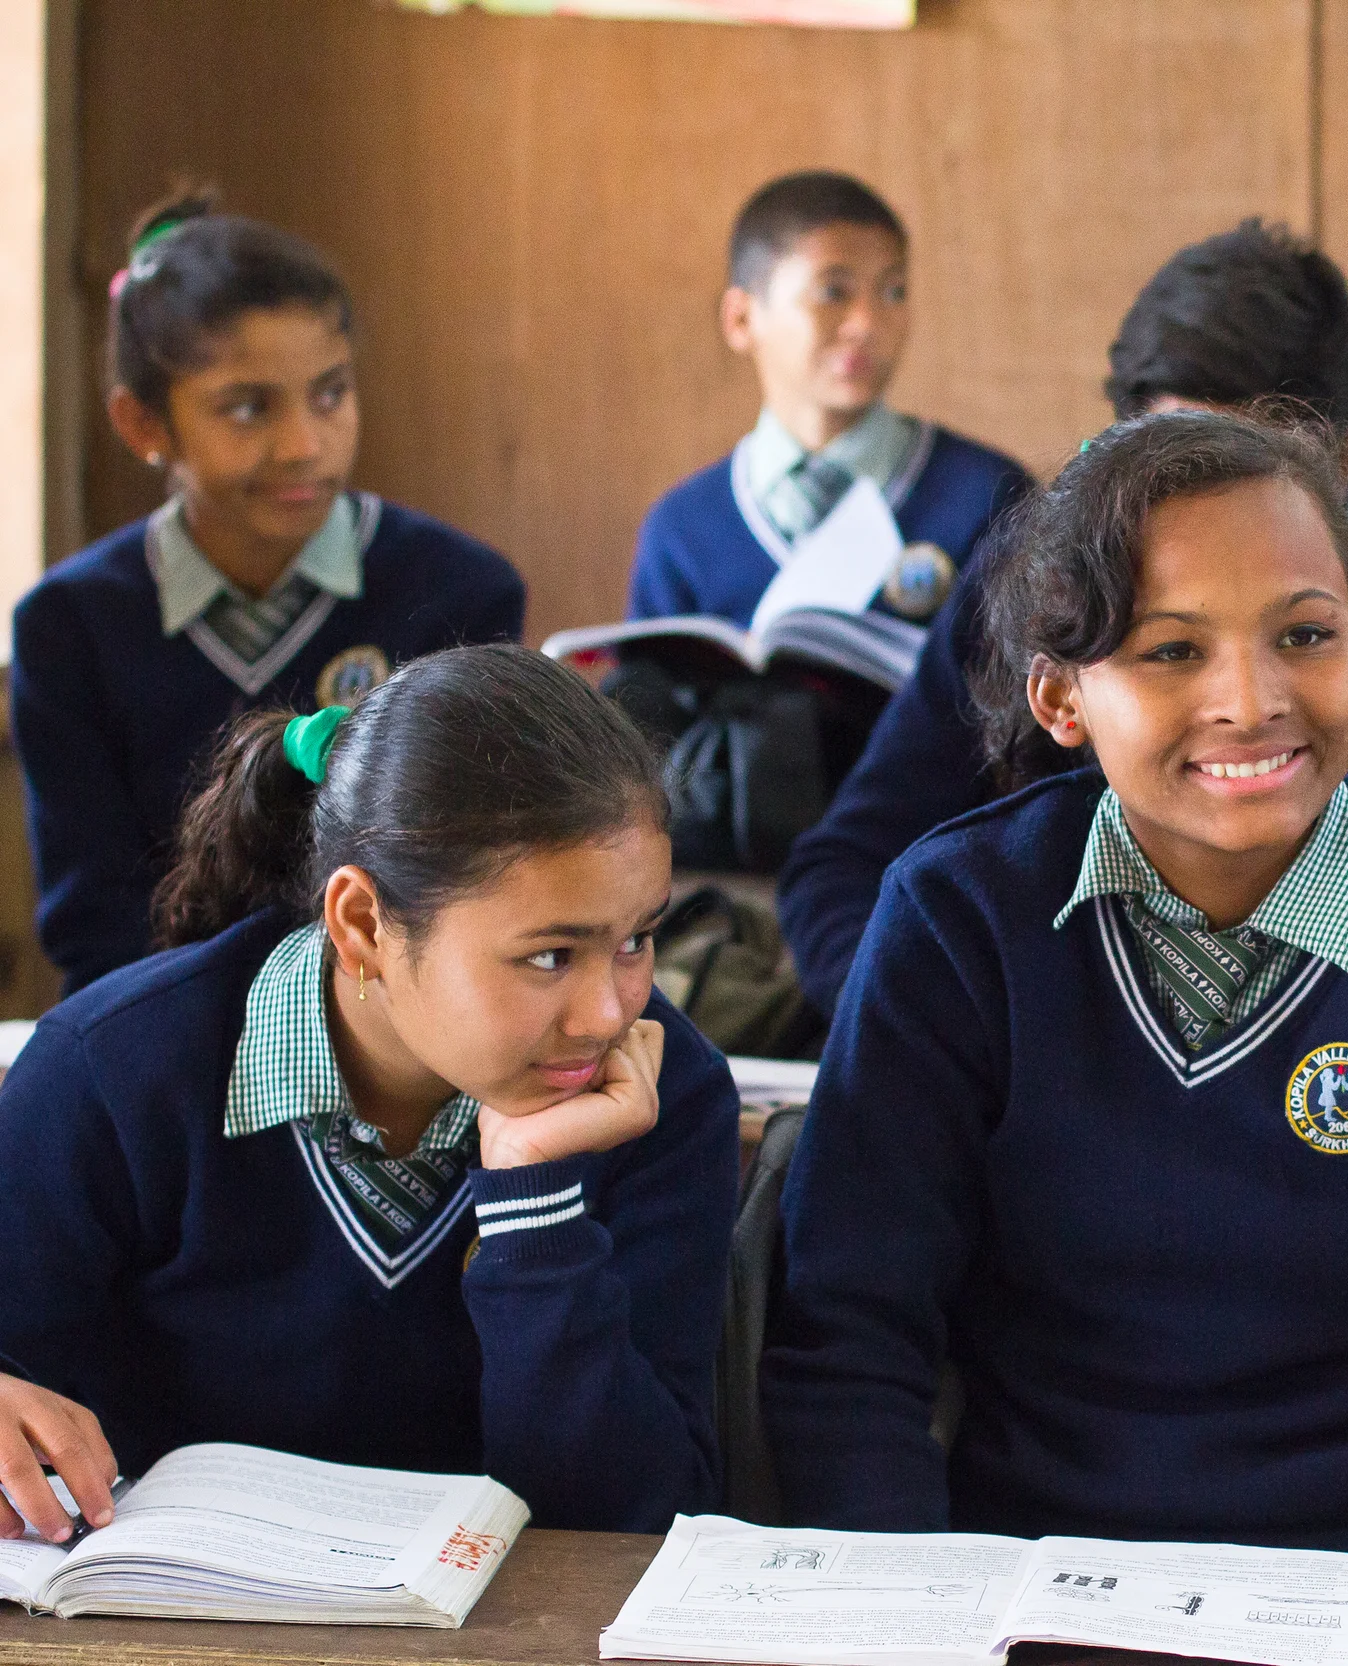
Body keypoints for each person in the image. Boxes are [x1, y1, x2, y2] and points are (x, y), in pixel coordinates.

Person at [762, 412, 1348, 1567]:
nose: (1252, 699)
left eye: (1305, 634)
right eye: (1172, 651)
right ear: (1060, 697)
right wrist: (921, 1609)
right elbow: (846, 1356)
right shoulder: (958, 923)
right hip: (1023, 1595)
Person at [0, 645, 739, 1538]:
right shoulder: (112, 1073)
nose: (609, 1013)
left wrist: (534, 1210)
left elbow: (636, 1521)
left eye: (636, 941)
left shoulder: (665, 1094)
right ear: (361, 924)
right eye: (551, 955)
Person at [776, 219, 1348, 1015]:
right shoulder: (1041, 593)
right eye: (1166, 465)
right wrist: (926, 1027)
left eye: (1301, 638)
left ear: (1346, 464)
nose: (1248, 702)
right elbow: (846, 866)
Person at [13, 192, 525, 994]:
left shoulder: (460, 592)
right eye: (248, 408)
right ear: (144, 425)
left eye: (331, 393)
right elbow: (95, 924)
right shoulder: (70, 627)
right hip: (161, 1024)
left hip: (394, 1022)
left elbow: (461, 887)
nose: (305, 445)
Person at [627, 170, 1032, 628]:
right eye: (832, 292)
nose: (867, 324)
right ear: (741, 319)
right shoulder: (684, 528)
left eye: (893, 292)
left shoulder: (987, 496)